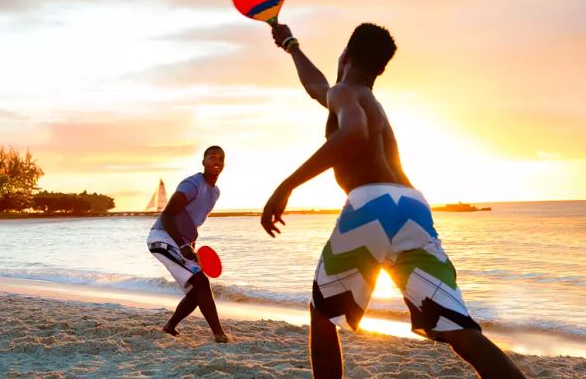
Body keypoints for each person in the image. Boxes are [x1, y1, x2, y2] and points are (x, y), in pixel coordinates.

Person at [260, 24, 525, 378]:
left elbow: (354, 132)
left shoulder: (346, 93)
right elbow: (316, 88)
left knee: (323, 315)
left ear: (346, 56)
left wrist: (287, 185)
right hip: (413, 208)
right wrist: (291, 46)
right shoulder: (362, 99)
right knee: (459, 330)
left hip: (374, 203)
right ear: (381, 69)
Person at [147, 146, 230, 343]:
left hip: (180, 242)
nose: (216, 162)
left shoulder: (215, 192)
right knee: (201, 282)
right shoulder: (193, 183)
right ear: (204, 162)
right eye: (212, 158)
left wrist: (190, 245)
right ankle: (219, 334)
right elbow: (168, 215)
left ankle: (169, 327)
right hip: (162, 237)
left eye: (221, 158)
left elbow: (191, 221)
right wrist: (182, 246)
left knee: (196, 290)